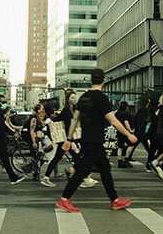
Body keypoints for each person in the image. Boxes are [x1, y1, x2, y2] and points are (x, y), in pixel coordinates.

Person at [56, 68, 136, 213]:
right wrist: (129, 134)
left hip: (87, 138)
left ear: (91, 80)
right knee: (82, 171)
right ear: (103, 81)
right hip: (95, 140)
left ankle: (115, 200)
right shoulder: (101, 98)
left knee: (105, 169)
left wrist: (69, 138)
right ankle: (64, 199)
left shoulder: (84, 97)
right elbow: (113, 121)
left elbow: (75, 119)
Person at [42, 91, 76, 187]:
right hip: (65, 139)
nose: (74, 99)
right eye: (72, 97)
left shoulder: (72, 109)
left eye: (75, 97)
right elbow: (68, 125)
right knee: (76, 157)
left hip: (66, 139)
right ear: (68, 99)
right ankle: (85, 177)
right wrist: (70, 140)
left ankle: (46, 177)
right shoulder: (66, 110)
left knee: (59, 158)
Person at [115, 101, 134, 168]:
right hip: (125, 132)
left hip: (119, 131)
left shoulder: (117, 113)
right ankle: (126, 159)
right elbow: (126, 123)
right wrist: (130, 131)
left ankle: (119, 161)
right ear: (126, 107)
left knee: (120, 147)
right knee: (131, 145)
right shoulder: (125, 114)